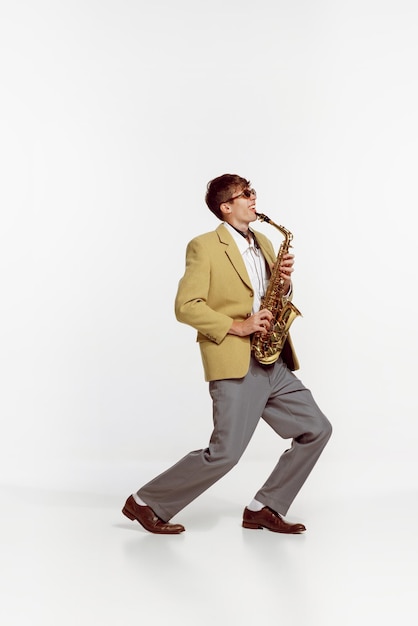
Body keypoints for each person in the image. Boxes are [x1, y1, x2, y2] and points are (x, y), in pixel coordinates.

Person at [122, 173, 332, 534]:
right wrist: (238, 326)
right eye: (245, 194)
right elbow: (186, 306)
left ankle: (264, 507)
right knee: (225, 454)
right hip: (236, 360)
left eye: (252, 191)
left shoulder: (265, 242)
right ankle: (146, 503)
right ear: (226, 206)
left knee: (316, 428)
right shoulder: (203, 246)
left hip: (272, 359)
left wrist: (282, 283)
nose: (253, 198)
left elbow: (272, 296)